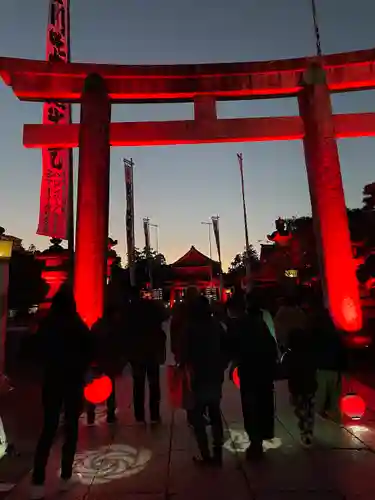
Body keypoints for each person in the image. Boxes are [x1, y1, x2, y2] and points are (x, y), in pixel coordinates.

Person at [29, 285, 94, 500]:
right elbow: (89, 348)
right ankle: (66, 476)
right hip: (72, 381)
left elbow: (36, 351)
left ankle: (37, 481)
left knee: (48, 429)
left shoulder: (47, 325)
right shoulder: (77, 325)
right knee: (71, 428)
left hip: (52, 380)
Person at [231, 292, 278, 461]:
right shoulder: (264, 321)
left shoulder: (242, 323)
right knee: (263, 404)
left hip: (249, 370)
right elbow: (273, 346)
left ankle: (255, 439)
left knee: (251, 405)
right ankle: (261, 436)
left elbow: (234, 345)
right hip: (264, 370)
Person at [180, 296, 226, 466]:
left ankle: (205, 453)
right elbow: (226, 346)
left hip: (198, 377)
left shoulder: (190, 328)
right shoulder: (216, 326)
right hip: (214, 375)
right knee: (215, 413)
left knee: (197, 415)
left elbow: (184, 352)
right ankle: (218, 451)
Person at [127, 291, 166, 424]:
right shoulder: (154, 313)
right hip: (152, 352)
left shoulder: (132, 313)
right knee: (154, 384)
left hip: (137, 353)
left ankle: (139, 415)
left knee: (138, 385)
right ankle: (154, 414)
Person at [86, 302, 127, 425]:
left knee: (93, 388)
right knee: (110, 388)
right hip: (108, 361)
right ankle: (110, 414)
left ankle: (90, 414)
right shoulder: (113, 328)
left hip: (96, 361)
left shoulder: (96, 326)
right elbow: (117, 346)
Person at [310, 296, 347, 422]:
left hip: (321, 368)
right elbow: (341, 352)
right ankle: (335, 423)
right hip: (334, 369)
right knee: (334, 402)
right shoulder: (334, 333)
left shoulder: (314, 332)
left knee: (319, 399)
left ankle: (320, 425)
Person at [286, 327, 317, 447]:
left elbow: (286, 370)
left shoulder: (291, 355)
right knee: (309, 409)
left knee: (300, 409)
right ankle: (308, 430)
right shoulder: (310, 353)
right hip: (309, 386)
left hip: (297, 387)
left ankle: (304, 429)